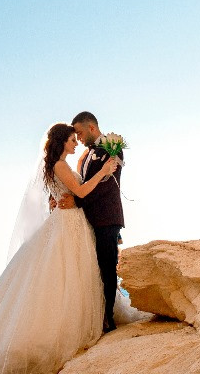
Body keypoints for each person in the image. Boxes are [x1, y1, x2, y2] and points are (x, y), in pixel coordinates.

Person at [0, 123, 119, 374]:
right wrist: (104, 172)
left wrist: (59, 196)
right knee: (67, 273)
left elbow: (62, 192)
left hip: (71, 220)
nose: (75, 143)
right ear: (62, 142)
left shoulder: (59, 165)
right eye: (71, 139)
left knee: (71, 272)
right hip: (68, 223)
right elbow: (80, 191)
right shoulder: (60, 165)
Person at [70, 111, 126, 333]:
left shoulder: (113, 148)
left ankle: (108, 318)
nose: (79, 138)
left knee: (107, 267)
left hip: (106, 217)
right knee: (92, 268)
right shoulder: (85, 155)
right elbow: (84, 182)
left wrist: (77, 200)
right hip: (87, 219)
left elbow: (106, 184)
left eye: (80, 133)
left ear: (91, 128)